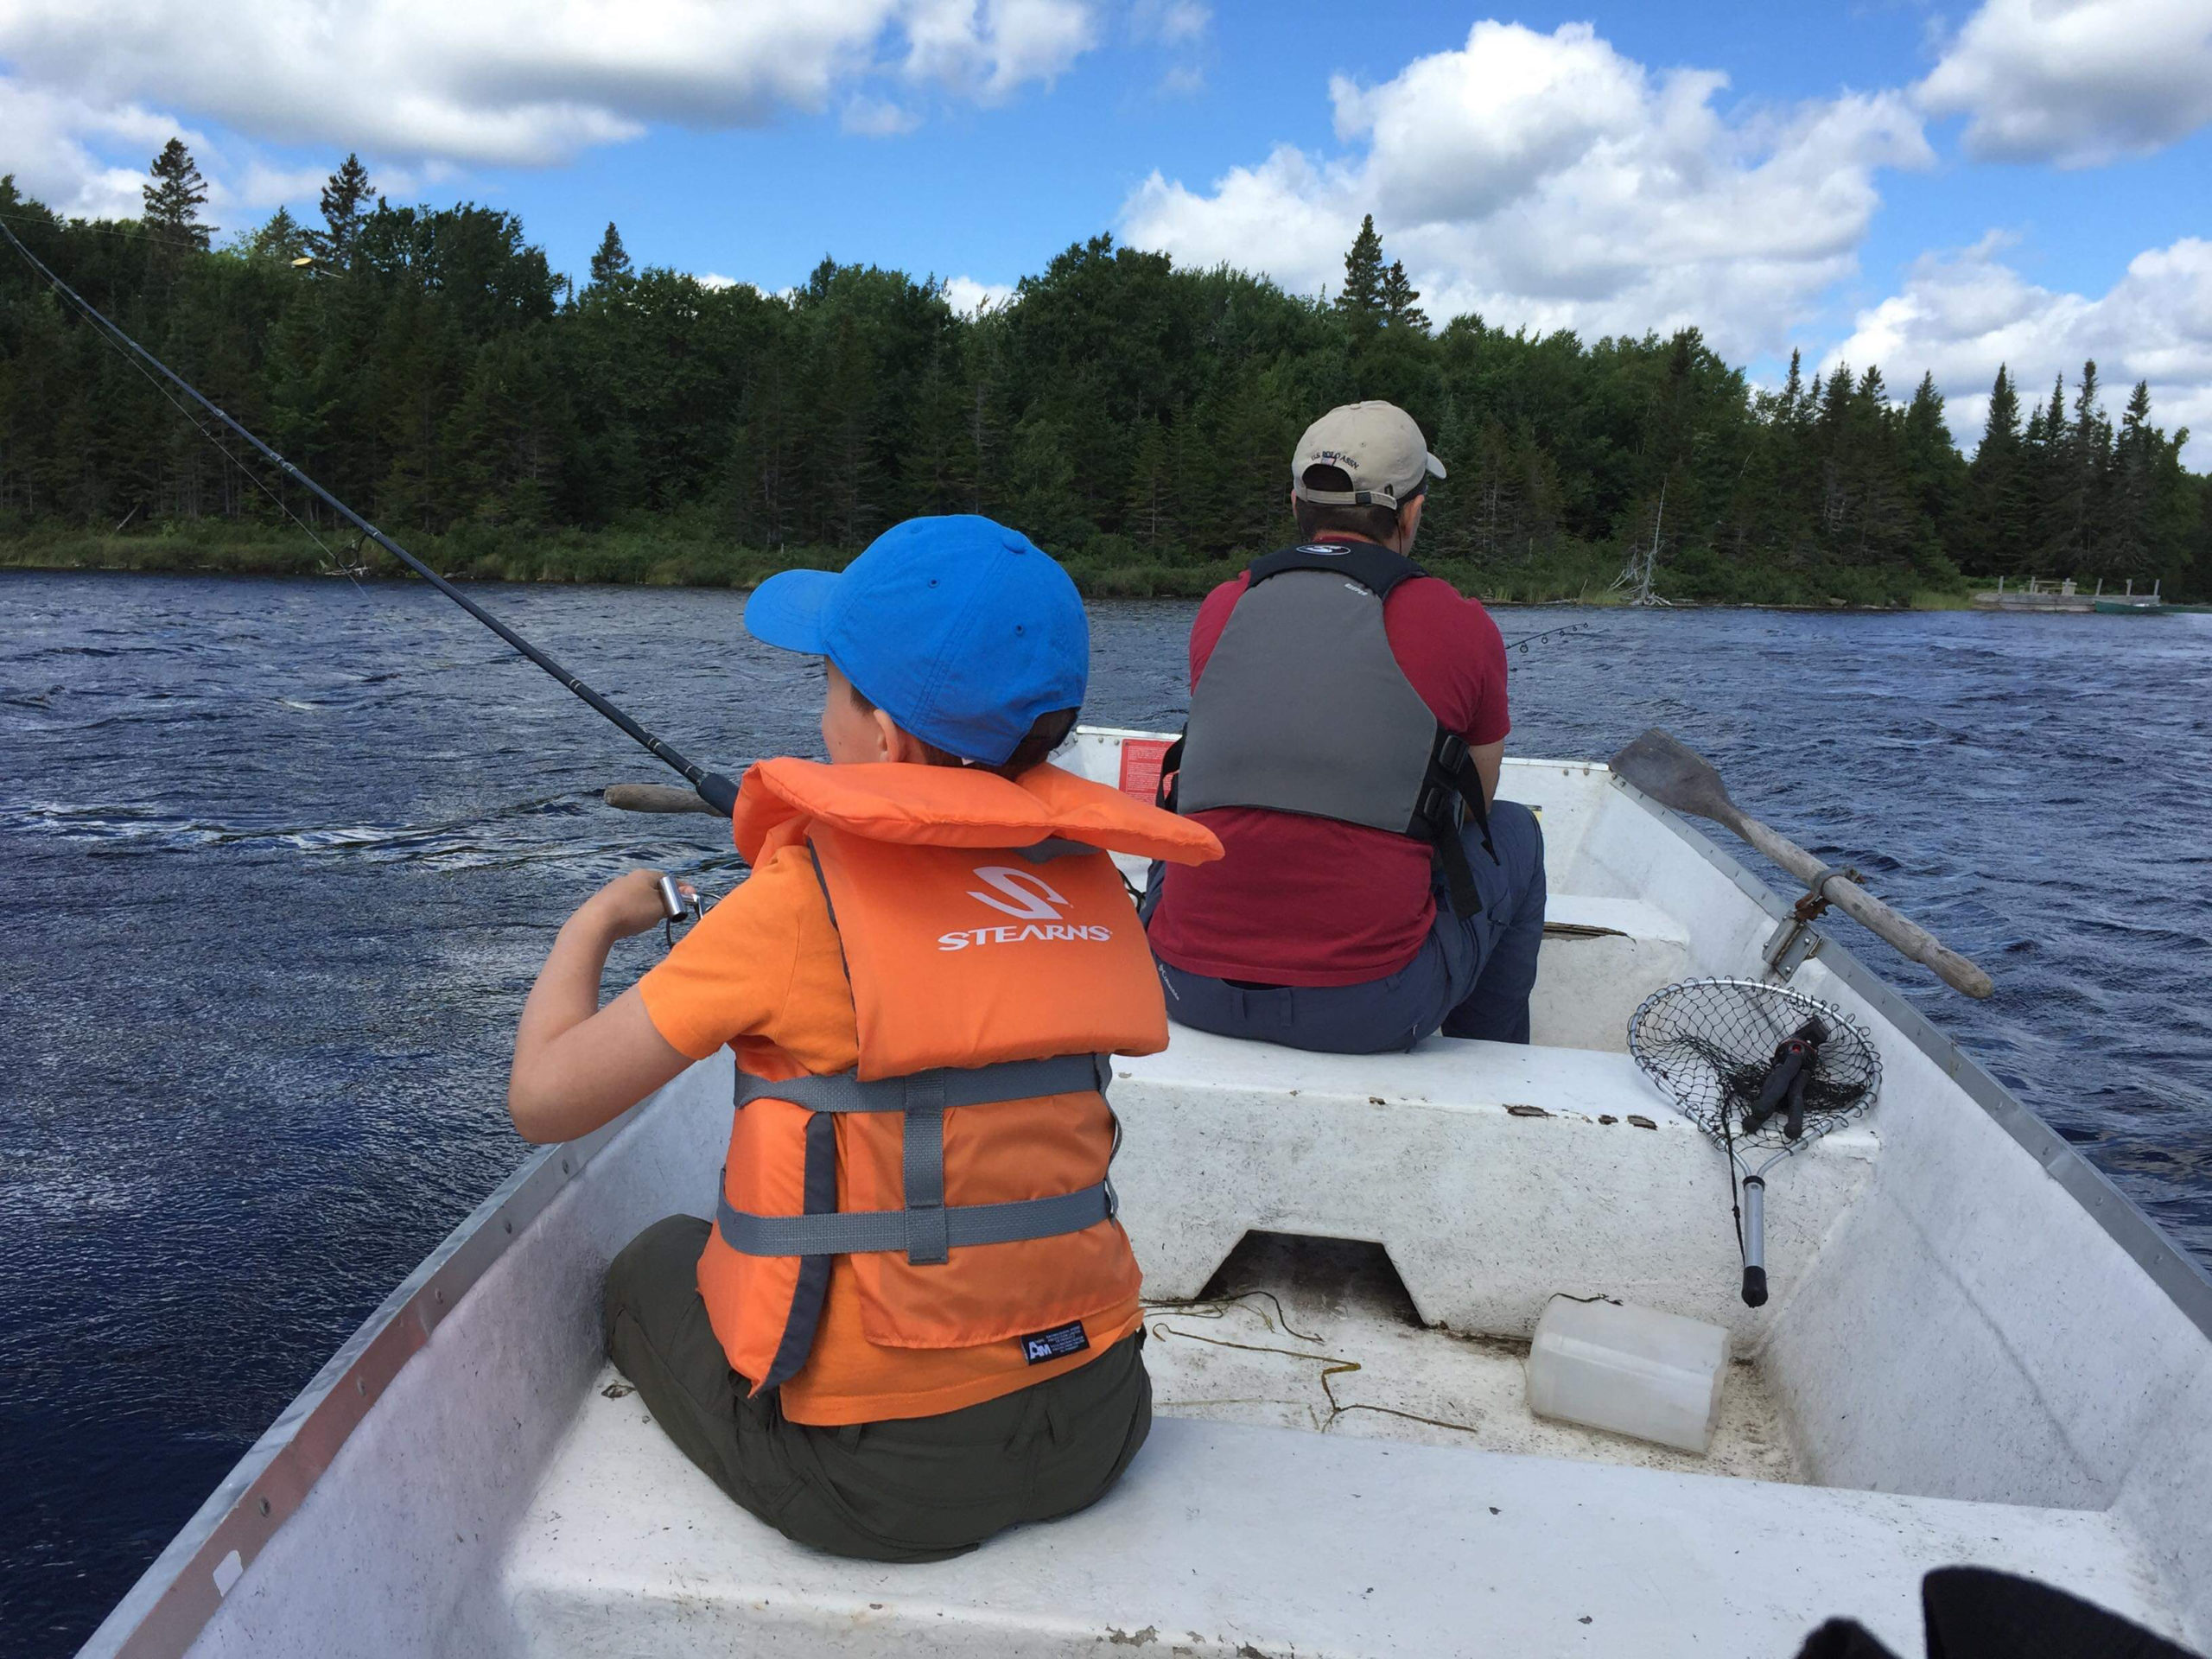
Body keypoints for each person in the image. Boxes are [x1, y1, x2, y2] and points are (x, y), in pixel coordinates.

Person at [505, 515, 1220, 1562]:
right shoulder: (1089, 883)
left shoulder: (789, 910)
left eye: (830, 683)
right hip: (1100, 1421)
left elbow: (544, 1101)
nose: (820, 707)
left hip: (880, 1483)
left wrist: (597, 923)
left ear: (880, 733)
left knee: (652, 1260)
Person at [1143, 400, 1547, 1054]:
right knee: (1515, 831)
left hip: (1183, 984)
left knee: (1180, 822)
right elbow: (1474, 806)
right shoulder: (1460, 622)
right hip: (1369, 1009)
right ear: (1411, 511)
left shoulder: (1223, 606)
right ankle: (1492, 1062)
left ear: (1295, 503)